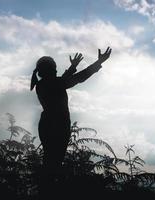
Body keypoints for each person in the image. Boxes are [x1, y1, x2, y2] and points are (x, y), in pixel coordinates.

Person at [30, 47, 111, 192]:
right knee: (54, 163)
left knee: (50, 161)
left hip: (48, 124)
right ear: (50, 70)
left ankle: (46, 189)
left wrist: (73, 66)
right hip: (58, 125)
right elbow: (77, 78)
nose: (56, 70)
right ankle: (48, 191)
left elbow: (63, 80)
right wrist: (98, 62)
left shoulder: (43, 84)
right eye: (54, 67)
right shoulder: (54, 83)